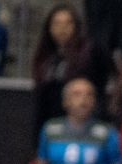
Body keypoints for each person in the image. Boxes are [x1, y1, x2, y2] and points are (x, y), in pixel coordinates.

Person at [31, 3, 114, 139]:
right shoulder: (45, 56)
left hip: (86, 125)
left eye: (68, 23)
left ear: (76, 26)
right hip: (52, 123)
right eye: (57, 24)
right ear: (49, 28)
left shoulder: (91, 50)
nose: (62, 29)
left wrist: (109, 105)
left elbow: (112, 74)